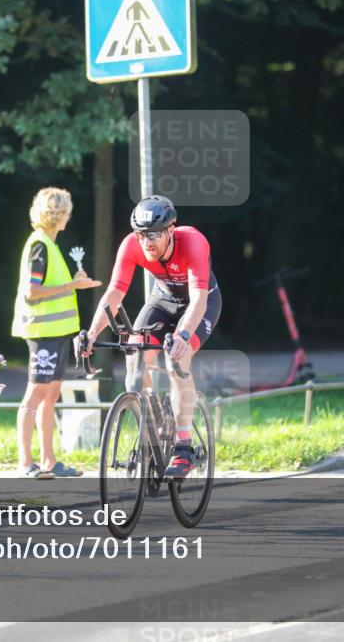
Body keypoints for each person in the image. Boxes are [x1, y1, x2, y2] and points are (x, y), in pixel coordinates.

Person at [79, 195, 221, 478]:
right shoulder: (132, 245)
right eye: (141, 235)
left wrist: (182, 335)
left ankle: (183, 448)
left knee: (176, 363)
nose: (147, 243)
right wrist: (92, 333)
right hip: (161, 300)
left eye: (154, 235)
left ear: (171, 230)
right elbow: (114, 294)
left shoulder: (193, 242)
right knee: (134, 363)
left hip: (200, 303)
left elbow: (198, 302)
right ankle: (155, 419)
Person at [12, 187, 101, 479]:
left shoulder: (49, 245)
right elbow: (32, 292)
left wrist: (72, 282)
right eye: (66, 211)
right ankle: (26, 463)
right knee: (35, 395)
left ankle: (49, 462)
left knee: (50, 396)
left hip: (59, 332)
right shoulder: (39, 245)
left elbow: (48, 286)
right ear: (59, 214)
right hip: (43, 332)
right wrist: (71, 287)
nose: (68, 216)